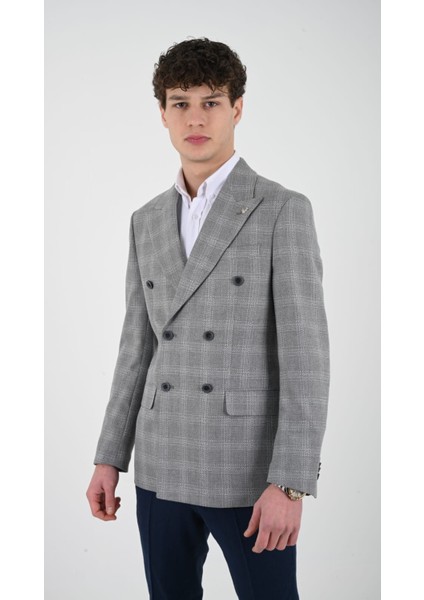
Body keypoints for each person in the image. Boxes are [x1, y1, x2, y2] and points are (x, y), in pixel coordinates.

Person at [86, 37, 330, 599]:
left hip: (247, 470)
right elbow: (136, 349)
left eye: (211, 102)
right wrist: (108, 457)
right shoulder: (146, 219)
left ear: (237, 109)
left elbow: (306, 359)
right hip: (159, 460)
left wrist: (291, 483)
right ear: (163, 114)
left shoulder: (282, 209)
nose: (195, 118)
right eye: (181, 103)